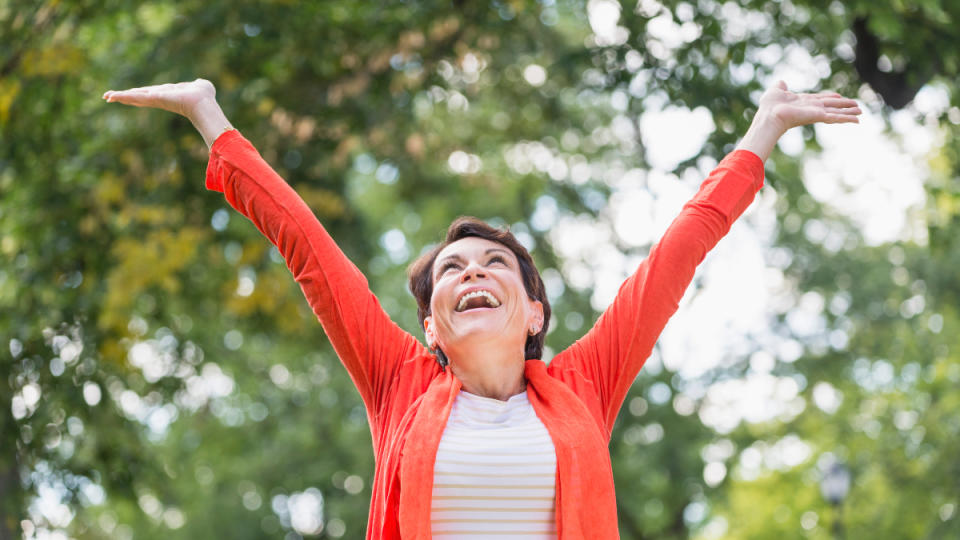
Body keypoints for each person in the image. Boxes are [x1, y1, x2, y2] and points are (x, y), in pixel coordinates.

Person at [103, 78, 860, 539]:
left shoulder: (585, 389)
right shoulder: (399, 384)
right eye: (452, 269)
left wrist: (764, 130)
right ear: (430, 325)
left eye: (495, 263)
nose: (473, 272)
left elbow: (676, 256)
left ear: (534, 314)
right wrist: (211, 118)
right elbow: (307, 248)